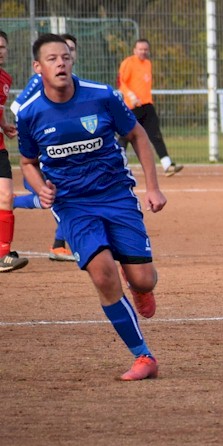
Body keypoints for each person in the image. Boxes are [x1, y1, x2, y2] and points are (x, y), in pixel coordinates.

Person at [16, 34, 166, 380]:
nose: (61, 64)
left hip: (116, 195)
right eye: (51, 59)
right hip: (73, 204)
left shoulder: (102, 96)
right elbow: (27, 162)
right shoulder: (29, 112)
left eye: (65, 57)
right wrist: (41, 188)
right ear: (38, 68)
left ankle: (140, 290)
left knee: (143, 279)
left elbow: (138, 136)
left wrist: (154, 188)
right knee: (102, 273)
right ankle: (143, 356)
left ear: (72, 61)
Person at [11, 33, 80, 262]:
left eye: (70, 51)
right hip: (44, 153)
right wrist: (36, 137)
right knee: (57, 196)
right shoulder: (38, 81)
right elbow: (16, 108)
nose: (64, 58)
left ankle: (59, 246)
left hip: (65, 153)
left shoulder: (74, 83)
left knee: (58, 196)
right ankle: (7, 202)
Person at [118, 38, 183, 177]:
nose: (143, 52)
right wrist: (130, 95)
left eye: (145, 49)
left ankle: (167, 165)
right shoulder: (128, 63)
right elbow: (121, 82)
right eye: (140, 49)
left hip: (147, 105)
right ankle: (116, 165)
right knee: (125, 136)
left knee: (156, 135)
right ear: (135, 50)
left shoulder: (148, 64)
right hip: (132, 107)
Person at [0, 30, 29, 273]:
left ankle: (3, 254)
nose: (0, 50)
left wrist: (4, 125)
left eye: (2, 46)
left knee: (6, 196)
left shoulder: (5, 78)